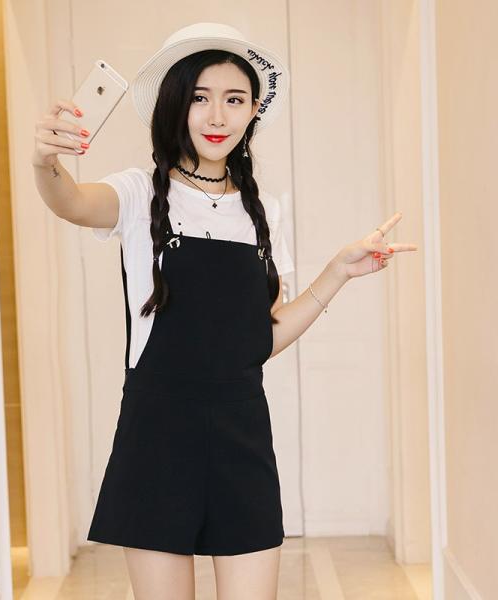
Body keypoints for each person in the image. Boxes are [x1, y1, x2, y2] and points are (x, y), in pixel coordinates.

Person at [32, 21, 417, 600]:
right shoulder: (139, 193)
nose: (217, 117)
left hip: (242, 435)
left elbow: (261, 339)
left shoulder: (264, 213)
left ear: (253, 110)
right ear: (175, 105)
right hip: (157, 436)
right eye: (200, 98)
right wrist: (44, 162)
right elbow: (72, 203)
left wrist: (337, 272)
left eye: (234, 100)